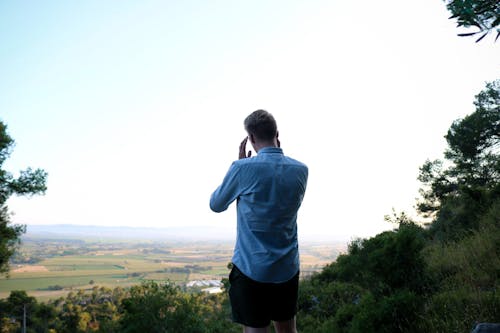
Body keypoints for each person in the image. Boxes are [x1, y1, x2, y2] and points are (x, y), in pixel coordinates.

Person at [210, 110, 308, 333]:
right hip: (287, 267)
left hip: (251, 267)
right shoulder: (301, 170)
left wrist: (239, 166)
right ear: (277, 134)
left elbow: (216, 204)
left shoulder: (242, 169)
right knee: (288, 330)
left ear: (251, 139)